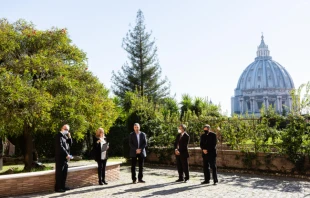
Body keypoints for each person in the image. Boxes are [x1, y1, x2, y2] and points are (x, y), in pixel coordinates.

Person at [55, 124, 73, 192]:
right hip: (60, 158)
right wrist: (66, 154)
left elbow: (70, 144)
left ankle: (63, 186)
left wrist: (69, 137)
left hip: (65, 158)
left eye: (67, 130)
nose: (66, 131)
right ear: (62, 128)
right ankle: (58, 188)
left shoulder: (65, 136)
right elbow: (60, 147)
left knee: (64, 173)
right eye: (65, 129)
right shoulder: (58, 136)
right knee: (59, 173)